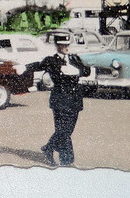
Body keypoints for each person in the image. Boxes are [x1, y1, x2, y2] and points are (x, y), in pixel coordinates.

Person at [27, 32, 88, 166]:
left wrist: (80, 70)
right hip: (60, 100)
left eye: (67, 44)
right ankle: (67, 161)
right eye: (62, 44)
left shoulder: (74, 58)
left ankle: (48, 148)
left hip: (75, 100)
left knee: (67, 131)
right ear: (57, 45)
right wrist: (24, 67)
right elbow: (38, 65)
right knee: (63, 131)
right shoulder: (51, 60)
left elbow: (86, 70)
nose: (66, 47)